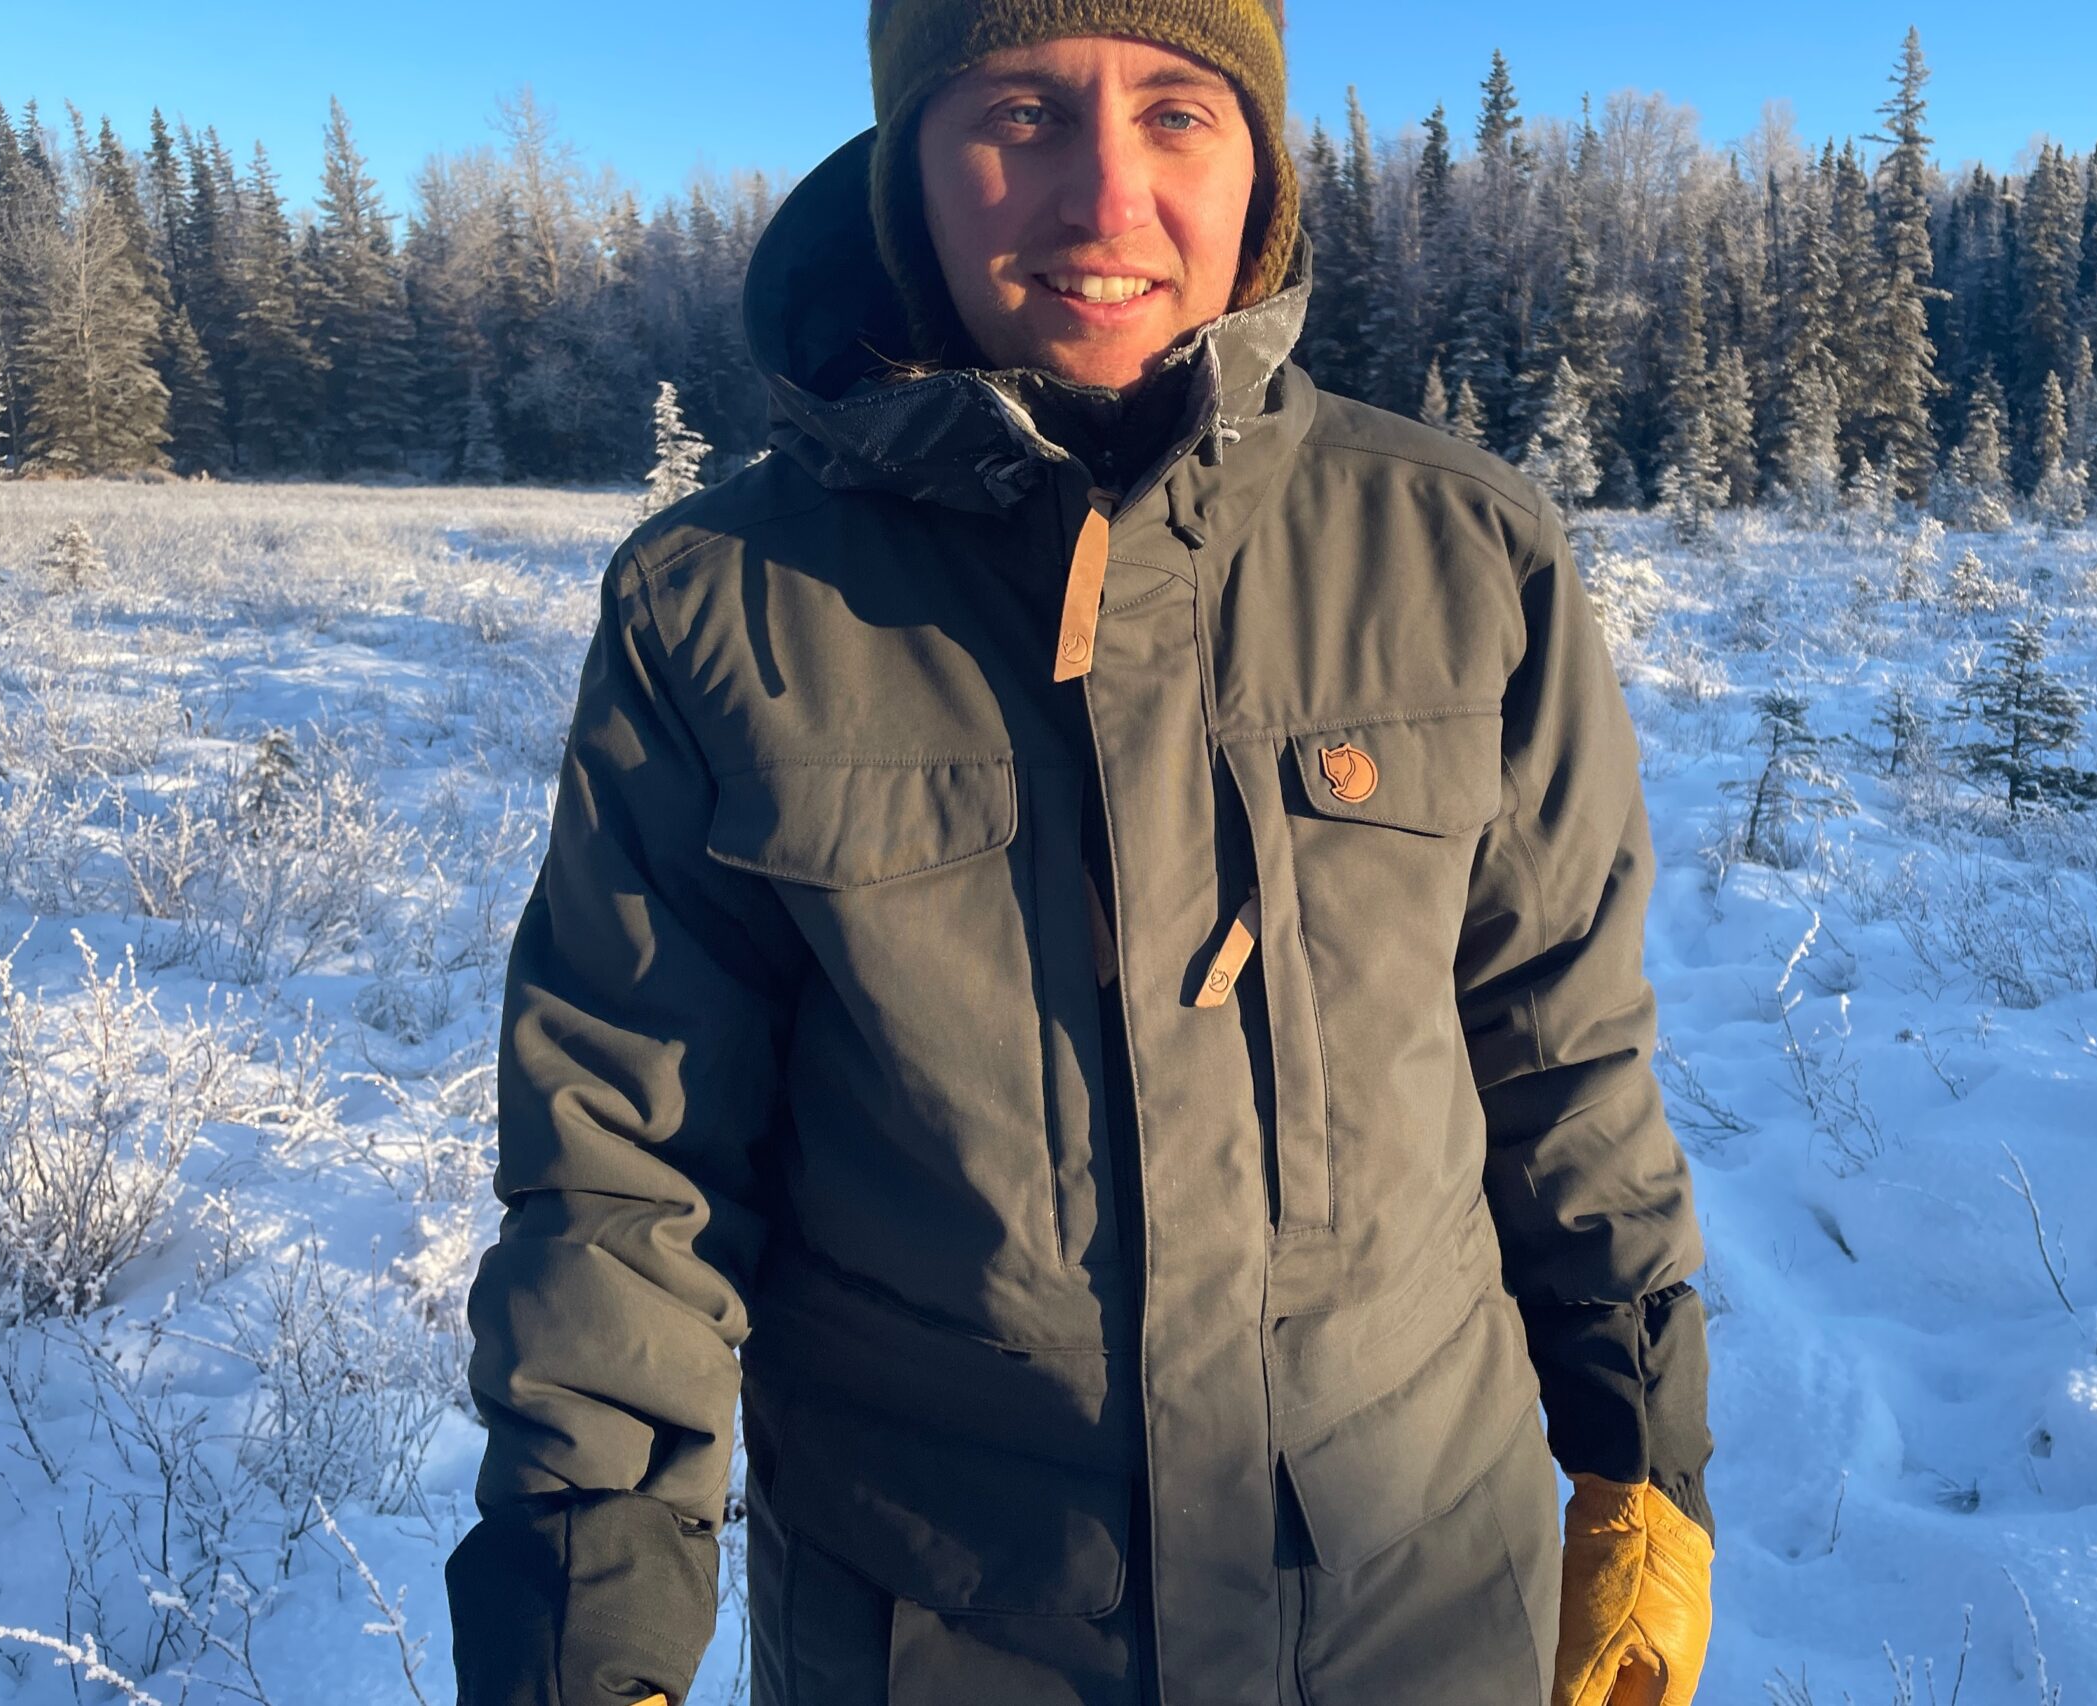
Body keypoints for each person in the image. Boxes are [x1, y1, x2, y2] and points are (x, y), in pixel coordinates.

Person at [443, 3, 1716, 1702]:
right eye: (1023, 112)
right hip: (935, 1629)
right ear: (909, 166)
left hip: (1415, 1602)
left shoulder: (1466, 556)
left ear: (1258, 161)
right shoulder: (718, 612)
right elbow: (630, 1173)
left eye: (1178, 112)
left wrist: (1642, 1455)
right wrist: (586, 1626)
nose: (1104, 197)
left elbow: (1564, 1056)